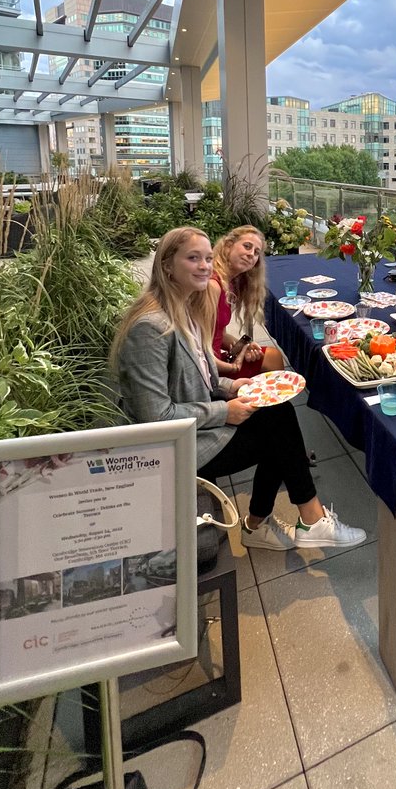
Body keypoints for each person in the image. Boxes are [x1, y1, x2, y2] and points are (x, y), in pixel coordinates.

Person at [112, 227, 366, 552]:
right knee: (280, 430)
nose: (205, 266)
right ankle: (289, 522)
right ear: (166, 266)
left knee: (278, 411)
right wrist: (225, 411)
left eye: (206, 257)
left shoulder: (183, 310)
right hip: (174, 449)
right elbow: (154, 416)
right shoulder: (150, 327)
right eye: (193, 258)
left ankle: (278, 523)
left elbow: (202, 372)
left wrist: (233, 386)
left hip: (195, 424)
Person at [210, 226, 284, 378]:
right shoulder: (213, 285)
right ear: (228, 245)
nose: (251, 254)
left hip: (214, 358)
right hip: (206, 368)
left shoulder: (229, 283)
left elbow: (219, 335)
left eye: (256, 252)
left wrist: (243, 347)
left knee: (273, 356)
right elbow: (196, 346)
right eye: (247, 246)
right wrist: (232, 366)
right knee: (272, 359)